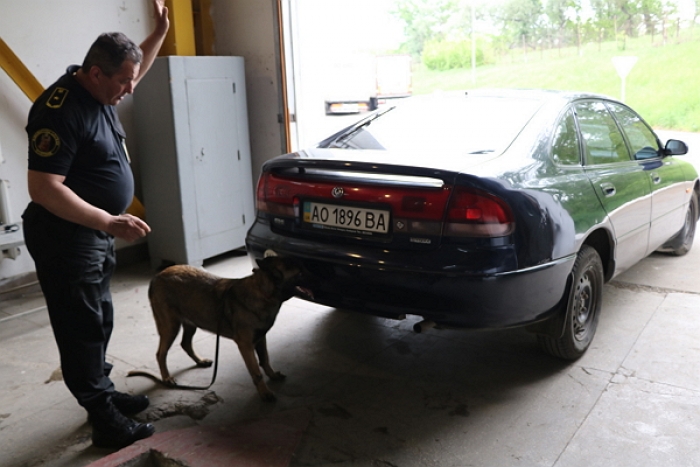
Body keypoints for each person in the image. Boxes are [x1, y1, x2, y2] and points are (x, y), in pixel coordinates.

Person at [21, 0, 169, 450]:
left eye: (130, 78)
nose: (130, 88)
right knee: (80, 327)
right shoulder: (60, 108)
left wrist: (160, 29)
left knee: (98, 318)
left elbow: (136, 68)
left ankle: (102, 392)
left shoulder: (103, 89)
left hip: (94, 234)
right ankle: (103, 419)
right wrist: (109, 220)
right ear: (96, 71)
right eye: (122, 80)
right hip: (65, 235)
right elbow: (44, 188)